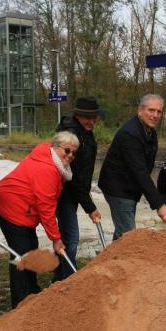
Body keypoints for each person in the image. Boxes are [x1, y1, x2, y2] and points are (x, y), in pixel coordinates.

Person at [0, 132, 76, 307]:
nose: (70, 155)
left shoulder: (52, 162)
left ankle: (32, 292)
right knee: (21, 254)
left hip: (23, 207)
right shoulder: (47, 169)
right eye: (67, 150)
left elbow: (44, 205)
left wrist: (54, 237)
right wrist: (56, 239)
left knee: (31, 247)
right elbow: (46, 208)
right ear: (55, 147)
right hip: (10, 206)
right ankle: (20, 304)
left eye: (74, 153)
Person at [98, 93, 166, 239]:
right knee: (129, 235)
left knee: (123, 232)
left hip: (130, 188)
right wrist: (159, 204)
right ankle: (121, 253)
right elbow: (140, 171)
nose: (155, 115)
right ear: (140, 110)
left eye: (159, 111)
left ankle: (114, 253)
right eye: (151, 110)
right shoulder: (130, 134)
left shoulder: (149, 132)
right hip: (118, 189)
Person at [54, 97, 101, 281]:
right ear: (77, 115)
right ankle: (67, 279)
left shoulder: (86, 132)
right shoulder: (71, 137)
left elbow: (83, 172)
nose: (92, 121)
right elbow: (74, 177)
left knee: (67, 236)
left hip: (75, 193)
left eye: (94, 117)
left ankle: (61, 275)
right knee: (71, 238)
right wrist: (90, 207)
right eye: (87, 118)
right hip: (64, 193)